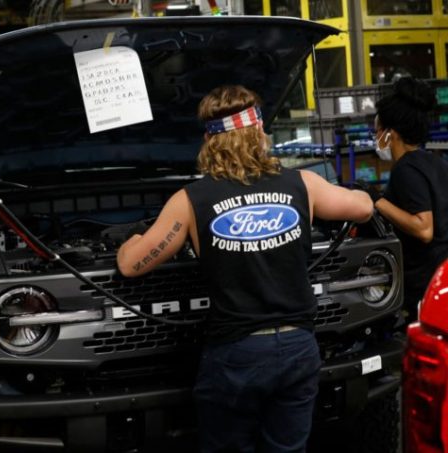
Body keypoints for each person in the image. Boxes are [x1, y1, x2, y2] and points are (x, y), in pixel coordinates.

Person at [116, 85, 374, 453]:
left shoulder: (190, 200)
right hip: (299, 348)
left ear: (210, 142)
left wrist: (130, 237)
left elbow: (131, 265)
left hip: (236, 354)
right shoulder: (304, 184)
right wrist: (362, 192)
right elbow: (363, 208)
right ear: (259, 134)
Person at [369, 77, 448, 323]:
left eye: (377, 131)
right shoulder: (434, 161)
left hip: (423, 282)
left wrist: (377, 201)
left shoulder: (406, 169)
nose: (376, 137)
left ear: (390, 133)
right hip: (440, 279)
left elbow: (424, 228)